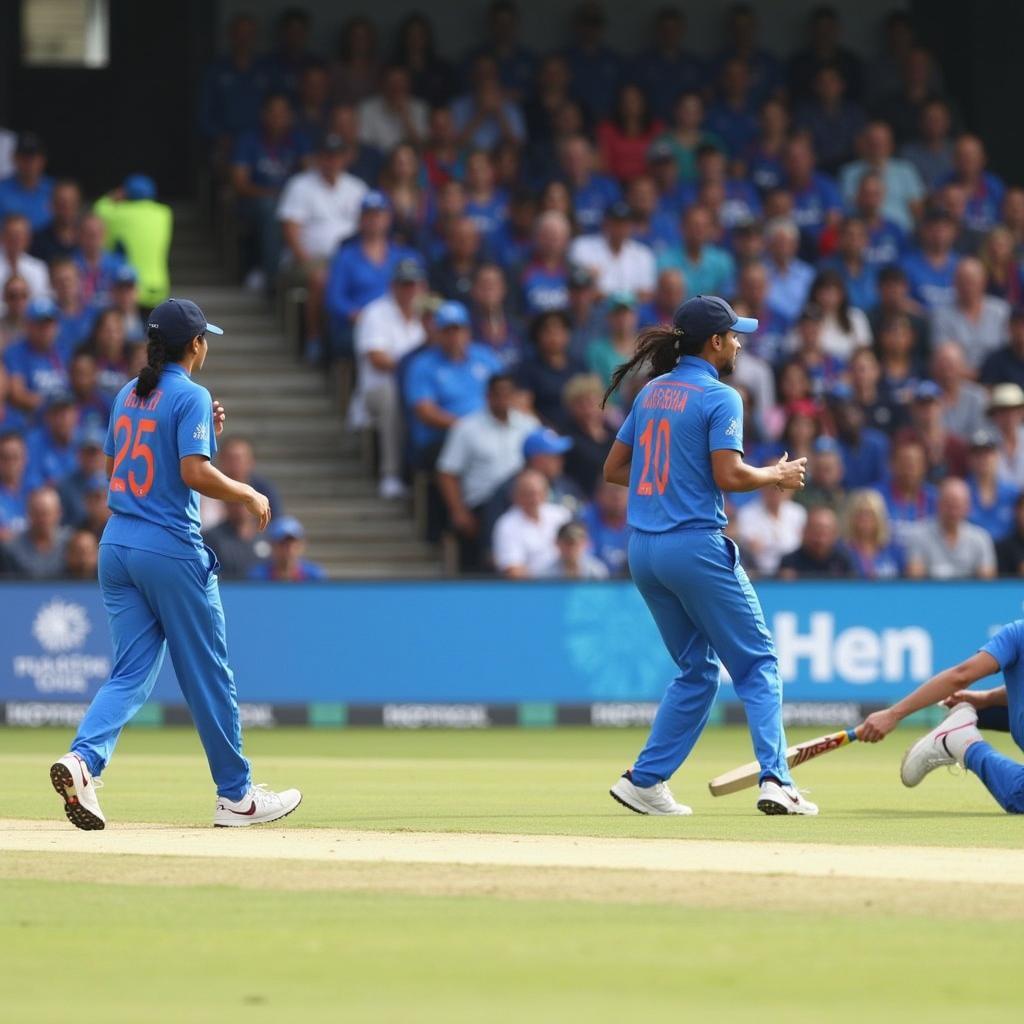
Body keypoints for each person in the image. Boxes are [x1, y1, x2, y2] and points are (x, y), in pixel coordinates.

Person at [49, 297, 301, 831]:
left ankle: (83, 761)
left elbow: (123, 467)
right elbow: (192, 473)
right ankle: (236, 797)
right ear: (194, 345)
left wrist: (204, 434)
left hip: (117, 546)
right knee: (208, 672)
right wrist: (246, 493)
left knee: (131, 672)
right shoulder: (192, 394)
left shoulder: (127, 394)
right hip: (169, 548)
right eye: (204, 338)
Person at [602, 294, 816, 816]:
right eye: (735, 335)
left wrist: (670, 477)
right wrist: (777, 475)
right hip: (694, 545)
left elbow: (614, 468)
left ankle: (644, 781)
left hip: (644, 552)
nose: (740, 342)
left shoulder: (652, 391)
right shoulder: (721, 396)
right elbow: (729, 475)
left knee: (697, 670)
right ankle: (776, 780)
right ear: (715, 342)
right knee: (758, 663)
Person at [857, 622, 1024, 815]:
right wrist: (893, 714)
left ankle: (960, 729)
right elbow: (960, 676)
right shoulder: (1018, 633)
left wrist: (986, 698)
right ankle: (962, 739)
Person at [276, 132, 369, 357]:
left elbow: (368, 228)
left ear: (345, 158)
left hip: (347, 258)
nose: (332, 161)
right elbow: (290, 231)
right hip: (308, 260)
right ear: (318, 158)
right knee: (322, 279)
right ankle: (315, 339)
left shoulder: (357, 187)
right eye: (327, 156)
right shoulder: (300, 185)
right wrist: (307, 262)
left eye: (336, 156)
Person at [436, 372, 537, 570]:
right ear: (487, 396)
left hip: (525, 503)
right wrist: (459, 512)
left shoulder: (529, 425)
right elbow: (447, 472)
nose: (503, 399)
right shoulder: (467, 428)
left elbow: (542, 462)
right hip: (482, 505)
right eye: (497, 394)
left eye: (508, 394)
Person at [351, 258, 426, 498]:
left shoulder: (426, 314)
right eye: (405, 284)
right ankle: (391, 473)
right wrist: (413, 369)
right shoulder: (376, 312)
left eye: (414, 284)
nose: (410, 290)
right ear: (393, 285)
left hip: (418, 386)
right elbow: (376, 358)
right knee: (392, 398)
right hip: (379, 389)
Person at [404, 300, 502, 467]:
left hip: (491, 429)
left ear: (468, 331)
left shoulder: (485, 357)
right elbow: (425, 411)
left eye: (458, 330)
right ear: (438, 333)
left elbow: (506, 392)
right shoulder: (422, 364)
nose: (454, 337)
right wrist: (467, 428)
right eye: (447, 331)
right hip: (443, 436)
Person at [324, 191, 418, 358]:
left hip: (401, 321)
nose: (374, 220)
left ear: (388, 218)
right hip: (359, 323)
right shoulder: (346, 256)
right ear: (361, 219)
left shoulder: (405, 255)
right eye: (369, 215)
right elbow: (334, 299)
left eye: (379, 214)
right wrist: (358, 316)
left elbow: (421, 289)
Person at [94, 176, 173, 309]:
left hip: (130, 288)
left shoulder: (116, 214)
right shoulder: (164, 213)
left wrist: (112, 196)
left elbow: (98, 209)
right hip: (159, 287)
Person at [906, 476, 996, 579]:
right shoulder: (918, 536)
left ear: (968, 507)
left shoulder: (981, 538)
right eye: (948, 505)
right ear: (938, 504)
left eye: (957, 506)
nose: (952, 512)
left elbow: (986, 585)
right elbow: (914, 581)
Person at [930, 257, 1011, 371]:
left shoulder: (1002, 311)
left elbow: (1011, 352)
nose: (967, 286)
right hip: (957, 382)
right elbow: (943, 359)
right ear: (954, 283)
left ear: (984, 282)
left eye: (972, 281)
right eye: (962, 281)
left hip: (998, 378)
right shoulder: (942, 315)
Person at [491, 468, 572, 579]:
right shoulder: (506, 525)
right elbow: (513, 571)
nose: (534, 499)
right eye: (528, 494)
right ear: (516, 496)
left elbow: (579, 550)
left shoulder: (561, 515)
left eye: (539, 493)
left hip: (567, 584)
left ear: (546, 493)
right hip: (531, 590)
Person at [568, 200, 656, 300]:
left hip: (631, 312)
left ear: (631, 226)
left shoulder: (643, 254)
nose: (620, 229)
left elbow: (646, 295)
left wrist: (606, 295)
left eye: (624, 224)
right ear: (606, 223)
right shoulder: (582, 247)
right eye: (616, 223)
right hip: (595, 311)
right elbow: (584, 293)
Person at [200, 435, 282, 530]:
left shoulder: (263, 490)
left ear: (251, 462)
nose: (235, 465)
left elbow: (276, 522)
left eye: (239, 459)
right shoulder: (204, 488)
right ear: (220, 460)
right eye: (230, 459)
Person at [3, 296, 68, 414]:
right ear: (28, 326)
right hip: (31, 420)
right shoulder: (15, 352)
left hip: (65, 417)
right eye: (39, 324)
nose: (45, 330)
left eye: (48, 324)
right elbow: (17, 394)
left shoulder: (64, 351)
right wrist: (53, 404)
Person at [733, 479, 806, 577]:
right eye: (771, 488)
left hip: (792, 571)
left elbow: (802, 545)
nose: (776, 492)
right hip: (759, 573)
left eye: (781, 488)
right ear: (761, 488)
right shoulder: (746, 514)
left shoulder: (798, 512)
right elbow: (753, 548)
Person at [0, 485, 68, 579]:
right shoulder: (11, 549)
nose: (42, 519)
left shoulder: (71, 543)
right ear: (28, 513)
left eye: (46, 513)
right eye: (36, 513)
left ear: (58, 513)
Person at [966, 429, 1019, 542]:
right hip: (972, 553)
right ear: (970, 458)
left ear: (997, 455)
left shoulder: (1013, 492)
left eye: (987, 453)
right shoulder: (962, 492)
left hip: (1007, 552)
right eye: (977, 454)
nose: (982, 459)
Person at [841, 487, 905, 579]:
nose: (865, 519)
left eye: (870, 514)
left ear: (879, 517)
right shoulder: (843, 551)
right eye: (860, 514)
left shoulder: (894, 550)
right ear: (851, 518)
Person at [0, 133, 54, 231]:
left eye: (33, 158)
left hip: (47, 245)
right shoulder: (2, 190)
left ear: (42, 160)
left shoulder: (54, 190)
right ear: (14, 158)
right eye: (24, 158)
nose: (28, 163)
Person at [204, 499, 268, 580]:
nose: (240, 508)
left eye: (245, 503)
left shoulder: (266, 536)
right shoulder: (211, 538)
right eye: (234, 504)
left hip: (262, 590)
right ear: (226, 505)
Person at [248, 515, 325, 581]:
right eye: (282, 543)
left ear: (301, 545)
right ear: (272, 545)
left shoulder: (314, 576)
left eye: (292, 543)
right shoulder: (257, 577)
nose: (288, 549)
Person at [0, 213, 50, 300]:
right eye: (11, 235)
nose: (16, 239)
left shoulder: (38, 268)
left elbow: (40, 303)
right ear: (2, 236)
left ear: (28, 238)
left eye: (20, 235)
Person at [538, 520, 608, 579]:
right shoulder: (545, 574)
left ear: (586, 543)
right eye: (567, 543)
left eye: (577, 543)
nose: (572, 548)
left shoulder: (597, 571)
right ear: (557, 543)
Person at [980, 306, 1024, 390]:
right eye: (1017, 324)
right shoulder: (995, 361)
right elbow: (986, 392)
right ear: (1009, 327)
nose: (1021, 330)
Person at [0, 431, 28, 540]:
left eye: (15, 457)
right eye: (5, 458)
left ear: (25, 459)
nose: (10, 463)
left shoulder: (36, 491)